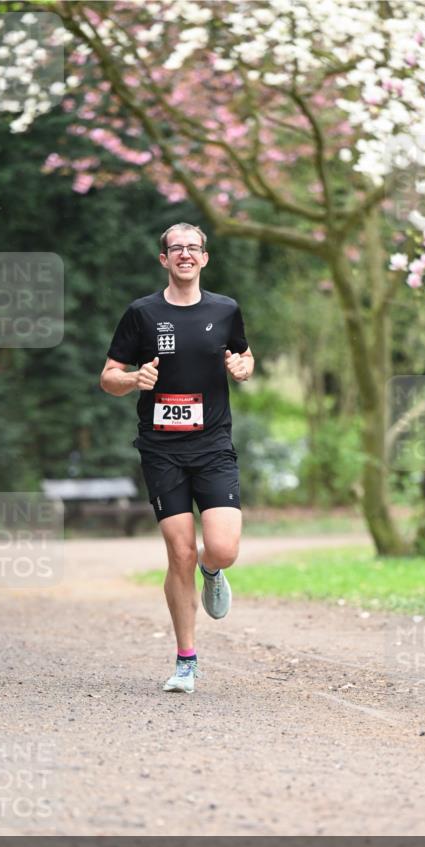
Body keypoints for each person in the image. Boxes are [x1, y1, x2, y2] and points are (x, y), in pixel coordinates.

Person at [100, 223, 254, 693]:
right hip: (162, 448)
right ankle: (186, 660)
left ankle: (214, 572)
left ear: (204, 258)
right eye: (176, 248)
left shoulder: (225, 310)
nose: (185, 254)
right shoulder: (142, 314)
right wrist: (133, 380)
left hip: (212, 446)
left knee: (222, 547)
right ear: (163, 259)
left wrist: (241, 368)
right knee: (180, 552)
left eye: (193, 248)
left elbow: (246, 358)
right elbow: (109, 376)